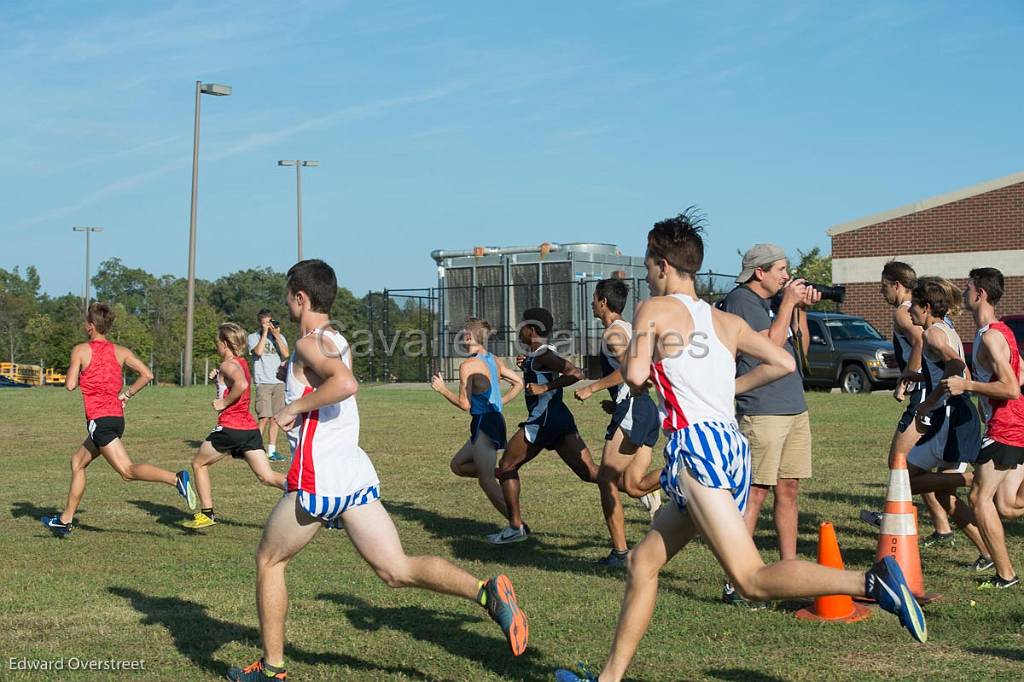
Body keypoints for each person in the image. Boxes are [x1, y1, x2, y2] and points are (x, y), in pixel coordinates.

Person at [555, 212, 925, 682]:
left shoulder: (654, 310)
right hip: (729, 446)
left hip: (697, 449)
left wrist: (639, 360)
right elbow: (782, 361)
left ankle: (872, 581)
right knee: (644, 562)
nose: (647, 274)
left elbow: (633, 375)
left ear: (663, 264)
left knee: (749, 579)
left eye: (649, 264)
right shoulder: (722, 319)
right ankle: (608, 679)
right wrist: (729, 387)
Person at [227, 260, 528, 681]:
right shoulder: (336, 339)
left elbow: (345, 384)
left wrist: (292, 406)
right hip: (351, 472)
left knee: (269, 561)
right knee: (395, 569)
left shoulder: (311, 344)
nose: (286, 304)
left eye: (288, 297)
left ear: (300, 298)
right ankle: (486, 592)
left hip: (321, 475)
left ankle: (272, 669)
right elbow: (336, 380)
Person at [41, 303, 195, 538]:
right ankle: (64, 520)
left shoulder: (81, 350)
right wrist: (127, 394)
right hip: (116, 418)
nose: (85, 325)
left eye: (86, 322)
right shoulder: (120, 351)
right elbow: (147, 375)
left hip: (100, 421)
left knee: (127, 471)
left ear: (91, 326)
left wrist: (82, 370)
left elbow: (71, 385)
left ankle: (176, 479)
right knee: (77, 463)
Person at [718, 243, 818, 605]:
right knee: (755, 493)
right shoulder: (741, 300)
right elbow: (769, 346)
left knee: (788, 489)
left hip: (792, 405)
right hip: (762, 409)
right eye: (780, 269)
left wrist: (799, 310)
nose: (787, 276)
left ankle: (789, 575)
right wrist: (788, 303)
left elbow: (800, 349)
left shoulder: (772, 304)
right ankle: (737, 580)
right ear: (759, 272)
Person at [888, 277, 990, 565]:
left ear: (927, 307)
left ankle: (972, 478)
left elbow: (957, 367)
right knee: (945, 496)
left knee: (904, 479)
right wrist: (920, 376)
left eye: (914, 308)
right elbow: (952, 368)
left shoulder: (933, 333)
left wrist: (929, 402)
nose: (909, 313)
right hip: (957, 414)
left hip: (949, 416)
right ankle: (987, 553)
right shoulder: (945, 329)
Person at [861, 262, 958, 547]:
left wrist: (908, 378)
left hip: (926, 395)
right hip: (934, 393)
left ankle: (894, 514)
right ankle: (941, 526)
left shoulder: (905, 313)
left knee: (899, 460)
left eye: (883, 287)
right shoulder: (926, 312)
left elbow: (920, 342)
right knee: (916, 463)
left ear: (897, 285)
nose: (882, 293)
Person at [488, 307, 600, 544]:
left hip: (544, 420)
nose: (519, 331)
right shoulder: (537, 355)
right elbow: (542, 371)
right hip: (560, 418)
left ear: (531, 330)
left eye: (522, 326)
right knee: (589, 472)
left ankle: (515, 528)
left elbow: (575, 373)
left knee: (506, 465)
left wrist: (544, 388)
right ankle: (639, 489)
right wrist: (526, 366)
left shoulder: (542, 355)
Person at [574, 278, 663, 566]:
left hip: (634, 410)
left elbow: (629, 368)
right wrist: (619, 399)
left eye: (593, 298)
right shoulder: (628, 329)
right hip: (644, 409)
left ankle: (620, 552)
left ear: (603, 301)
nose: (591, 303)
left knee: (605, 479)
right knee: (634, 486)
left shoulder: (614, 333)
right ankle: (682, 473)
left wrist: (592, 388)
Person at [944, 268, 1024, 589]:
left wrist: (967, 385)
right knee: (1006, 505)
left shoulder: (992, 335)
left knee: (979, 498)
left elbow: (1011, 388)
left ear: (981, 294)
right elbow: (1020, 377)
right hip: (1013, 424)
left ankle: (1005, 576)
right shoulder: (1000, 332)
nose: (964, 294)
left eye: (967, 289)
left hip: (1005, 427)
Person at [184, 323, 287, 529]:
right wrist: (219, 380)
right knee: (266, 477)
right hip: (249, 430)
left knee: (199, 464)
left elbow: (241, 385)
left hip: (231, 428)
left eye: (217, 342)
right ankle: (311, 494)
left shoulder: (228, 366)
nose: (216, 345)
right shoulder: (240, 363)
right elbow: (236, 382)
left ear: (224, 343)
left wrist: (223, 403)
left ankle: (207, 514)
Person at [431, 317, 523, 529]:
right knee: (458, 465)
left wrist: (443, 390)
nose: (462, 336)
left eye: (464, 332)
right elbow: (518, 382)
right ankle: (496, 473)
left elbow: (465, 405)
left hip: (485, 423)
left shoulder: (468, 365)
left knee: (486, 481)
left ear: (470, 336)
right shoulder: (494, 360)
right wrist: (499, 403)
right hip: (491, 420)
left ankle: (517, 526)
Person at [248, 309, 290, 461]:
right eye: (265, 323)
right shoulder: (253, 337)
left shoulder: (279, 337)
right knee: (264, 417)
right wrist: (265, 334)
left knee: (275, 418)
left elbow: (286, 354)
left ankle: (271, 451)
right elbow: (258, 352)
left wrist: (277, 335)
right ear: (260, 323)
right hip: (263, 382)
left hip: (279, 382)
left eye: (269, 322)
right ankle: (256, 450)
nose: (268, 325)